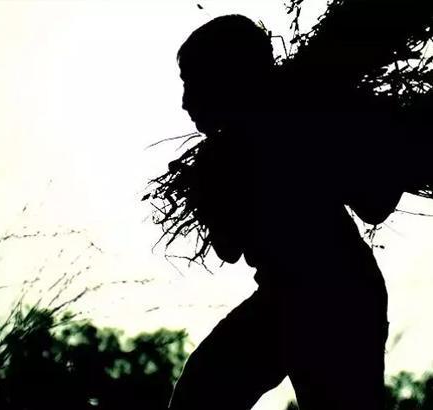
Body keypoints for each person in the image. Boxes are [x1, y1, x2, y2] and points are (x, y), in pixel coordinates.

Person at [166, 15, 404, 409]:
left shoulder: (301, 123)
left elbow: (374, 203)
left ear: (226, 78)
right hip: (286, 297)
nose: (186, 101)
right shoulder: (225, 158)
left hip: (336, 295)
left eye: (193, 82)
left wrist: (379, 144)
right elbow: (230, 246)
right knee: (201, 392)